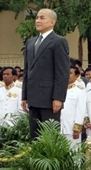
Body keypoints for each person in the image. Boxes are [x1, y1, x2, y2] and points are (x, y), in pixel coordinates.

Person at [21, 9, 69, 139]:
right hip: (33, 97)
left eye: (42, 18)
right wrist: (24, 95)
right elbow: (27, 70)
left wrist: (58, 98)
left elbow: (62, 72)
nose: (38, 21)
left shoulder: (58, 41)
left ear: (52, 22)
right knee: (34, 136)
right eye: (37, 18)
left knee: (49, 136)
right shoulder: (31, 42)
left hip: (49, 98)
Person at [61, 67, 86, 148]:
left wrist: (77, 129)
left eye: (70, 73)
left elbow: (81, 111)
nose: (67, 75)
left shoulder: (80, 91)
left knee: (74, 154)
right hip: (60, 127)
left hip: (71, 128)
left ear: (77, 75)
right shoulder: (59, 89)